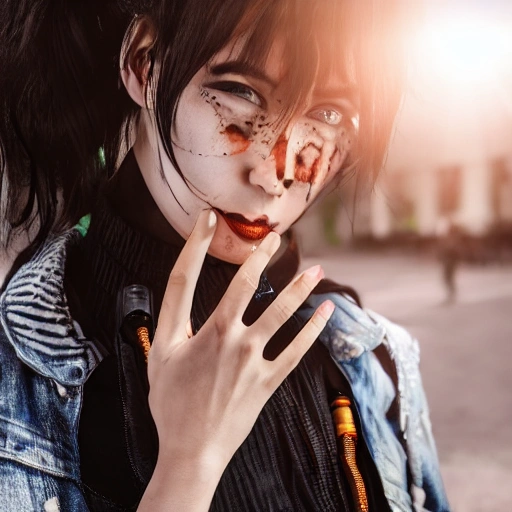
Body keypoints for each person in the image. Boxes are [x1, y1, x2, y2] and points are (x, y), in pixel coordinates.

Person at [0, 0, 450, 510]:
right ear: (142, 62)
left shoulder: (374, 356)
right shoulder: (16, 385)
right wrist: (188, 466)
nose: (274, 172)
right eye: (240, 91)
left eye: (327, 113)